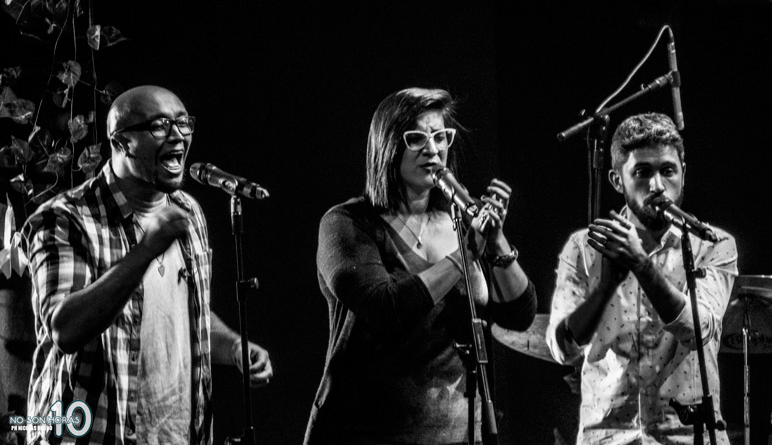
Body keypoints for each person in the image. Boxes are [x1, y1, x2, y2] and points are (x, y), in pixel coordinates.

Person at [21, 85, 273, 444]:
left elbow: (183, 311)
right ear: (121, 142)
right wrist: (145, 251)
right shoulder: (65, 218)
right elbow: (65, 330)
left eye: (184, 123)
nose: (178, 136)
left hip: (178, 433)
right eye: (160, 125)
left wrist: (233, 346)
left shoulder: (187, 210)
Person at [303, 87, 537, 445]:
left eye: (440, 136)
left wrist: (496, 241)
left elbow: (519, 315)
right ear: (387, 147)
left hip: (458, 433)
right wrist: (465, 255)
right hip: (366, 434)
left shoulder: (461, 221)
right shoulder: (347, 224)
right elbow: (385, 308)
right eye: (416, 138)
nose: (433, 149)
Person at [546, 112, 738, 445]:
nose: (657, 186)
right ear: (617, 180)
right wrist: (606, 287)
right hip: (608, 437)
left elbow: (698, 330)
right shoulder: (583, 247)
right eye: (642, 172)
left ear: (683, 172)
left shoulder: (713, 244)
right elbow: (562, 349)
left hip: (686, 437)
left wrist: (641, 265)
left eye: (668, 170)